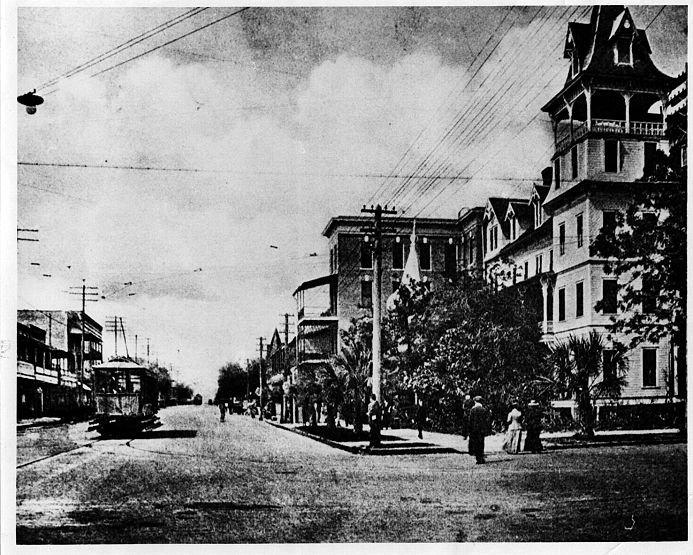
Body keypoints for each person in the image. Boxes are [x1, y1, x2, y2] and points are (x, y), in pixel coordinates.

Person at [468, 396, 491, 464]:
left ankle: (478, 458)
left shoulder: (472, 410)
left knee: (476, 443)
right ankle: (481, 457)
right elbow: (487, 420)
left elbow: (470, 421)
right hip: (481, 430)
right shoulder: (483, 410)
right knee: (481, 443)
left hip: (474, 430)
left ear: (475, 401)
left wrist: (469, 430)